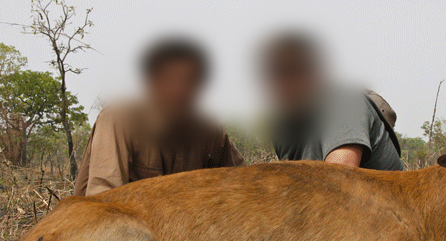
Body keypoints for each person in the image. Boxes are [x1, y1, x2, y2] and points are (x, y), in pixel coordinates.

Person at [73, 37, 243, 196]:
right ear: (151, 83)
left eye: (190, 80)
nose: (180, 90)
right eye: (171, 79)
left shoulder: (210, 132)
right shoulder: (118, 120)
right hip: (115, 222)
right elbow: (103, 198)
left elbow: (243, 183)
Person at [259, 32, 403, 170]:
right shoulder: (282, 125)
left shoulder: (345, 102)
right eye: (276, 73)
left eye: (295, 71)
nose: (285, 83)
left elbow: (337, 181)